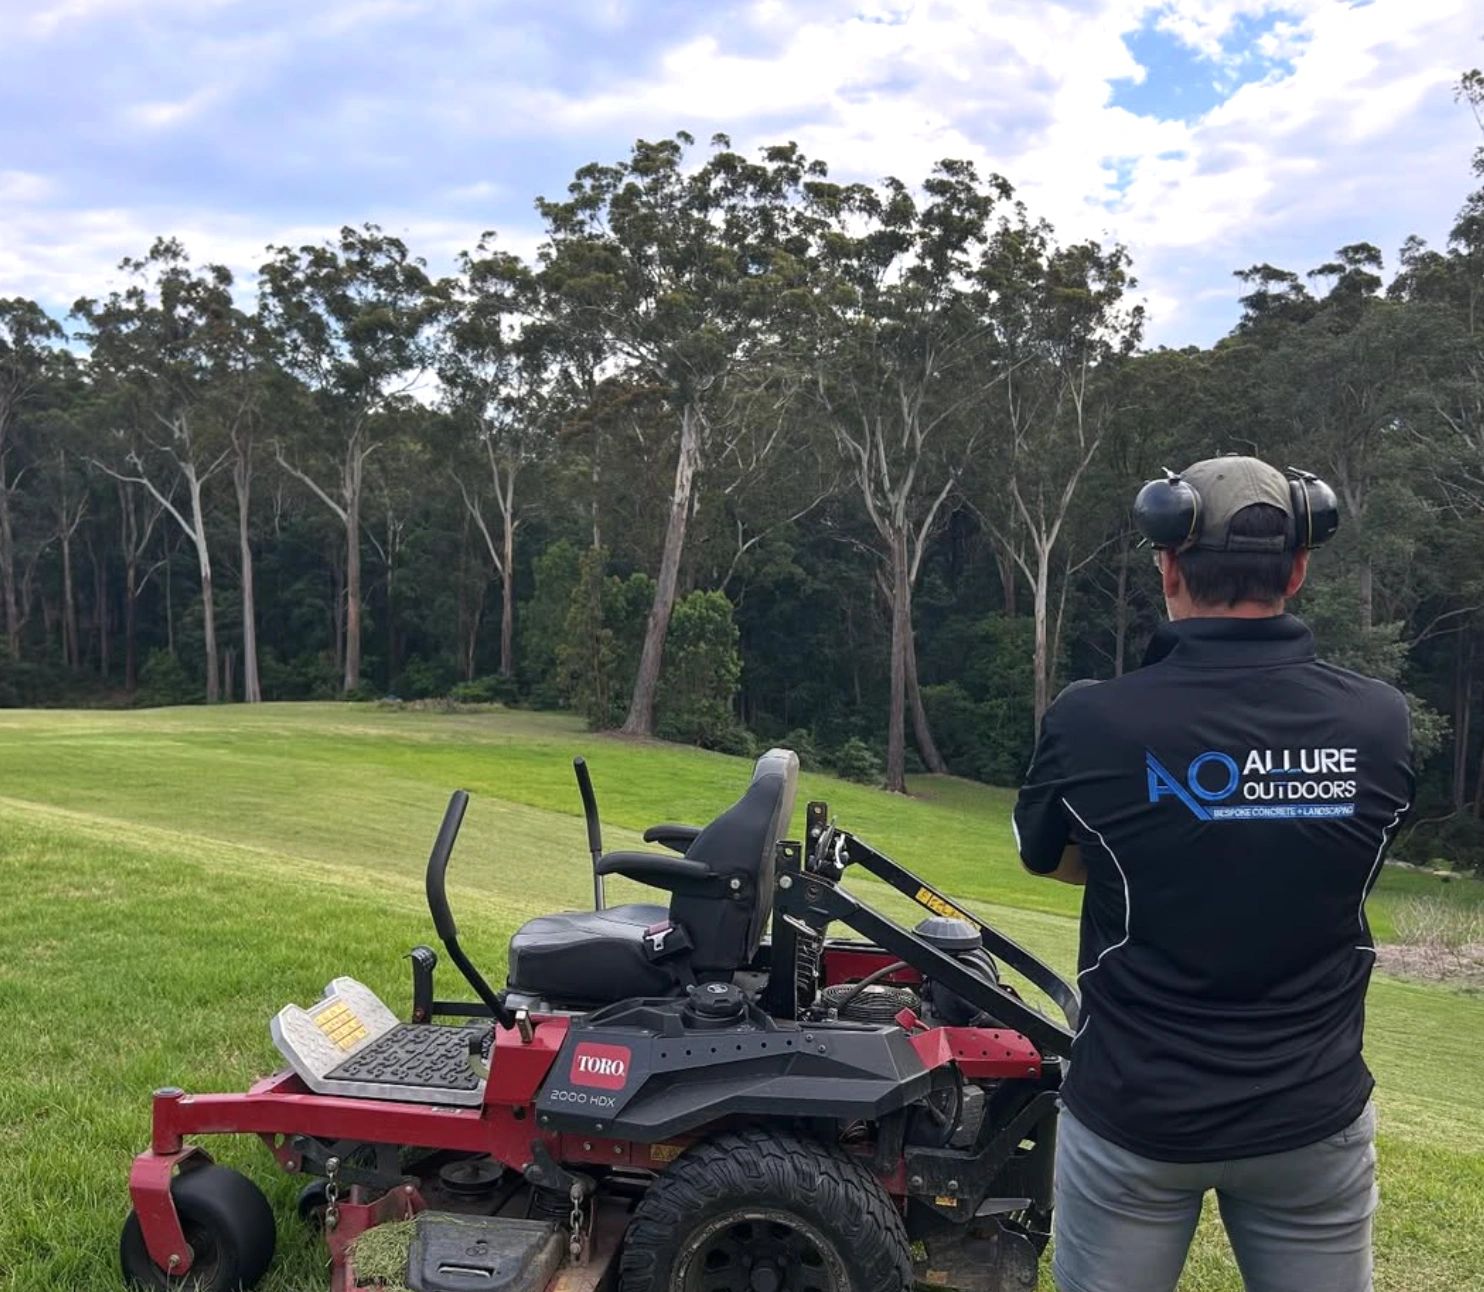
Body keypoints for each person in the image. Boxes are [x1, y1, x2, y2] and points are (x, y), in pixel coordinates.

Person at [1012, 455, 1413, 1292]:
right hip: (1312, 1116)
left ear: (1167, 566)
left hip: (1133, 1117)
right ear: (1298, 569)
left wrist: (1174, 839)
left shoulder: (1092, 720)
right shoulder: (1378, 723)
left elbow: (1048, 858)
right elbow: (1351, 857)